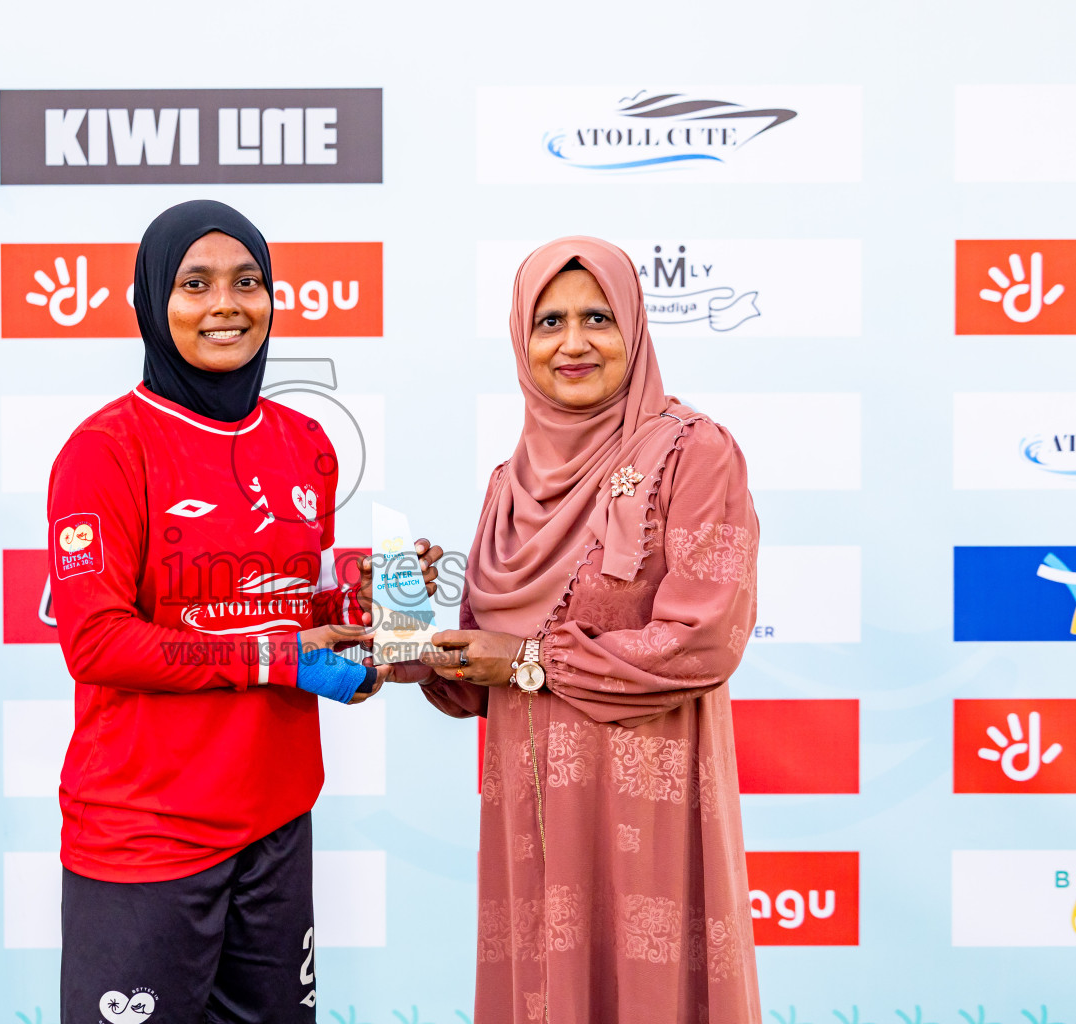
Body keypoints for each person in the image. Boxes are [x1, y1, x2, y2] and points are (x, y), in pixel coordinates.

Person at [45, 200, 431, 1024]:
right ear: (152, 302)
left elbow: (299, 609)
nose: (226, 304)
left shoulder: (305, 442)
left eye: (247, 282)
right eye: (195, 284)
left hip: (277, 823)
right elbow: (98, 642)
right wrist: (281, 655)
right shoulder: (105, 449)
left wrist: (374, 619)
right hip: (146, 836)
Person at [405, 237, 763, 1022]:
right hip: (526, 824)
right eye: (549, 322)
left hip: (644, 814)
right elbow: (484, 676)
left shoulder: (693, 452)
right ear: (519, 341)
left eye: (597, 317)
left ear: (633, 328)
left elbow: (705, 639)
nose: (572, 343)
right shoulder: (512, 481)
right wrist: (421, 647)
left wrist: (529, 660)